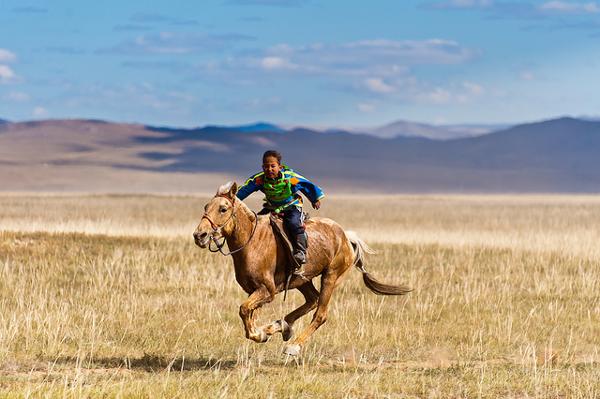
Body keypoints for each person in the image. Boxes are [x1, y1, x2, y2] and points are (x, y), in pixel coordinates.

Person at [236, 150, 324, 272]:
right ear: (262, 167)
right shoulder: (259, 179)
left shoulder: (289, 177)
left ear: (280, 167)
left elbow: (305, 184)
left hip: (291, 206)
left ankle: (301, 251)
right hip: (272, 207)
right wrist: (233, 199)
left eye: (273, 166)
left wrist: (314, 198)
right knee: (256, 223)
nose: (269, 169)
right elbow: (245, 189)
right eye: (266, 166)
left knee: (293, 223)